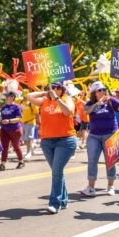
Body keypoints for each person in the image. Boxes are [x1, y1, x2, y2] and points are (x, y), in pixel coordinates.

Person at [27, 82, 77, 214]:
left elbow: (68, 112)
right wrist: (45, 93)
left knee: (56, 171)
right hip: (47, 141)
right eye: (52, 87)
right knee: (57, 171)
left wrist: (57, 98)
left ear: (63, 90)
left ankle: (55, 203)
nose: (55, 90)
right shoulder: (44, 101)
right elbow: (29, 96)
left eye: (58, 88)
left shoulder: (67, 99)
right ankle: (64, 200)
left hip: (65, 140)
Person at [81, 81, 119, 197]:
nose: (101, 92)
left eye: (103, 89)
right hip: (94, 136)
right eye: (98, 90)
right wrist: (98, 103)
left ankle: (111, 186)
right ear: (94, 93)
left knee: (111, 161)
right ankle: (91, 188)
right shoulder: (90, 103)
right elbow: (86, 111)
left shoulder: (111, 101)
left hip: (110, 134)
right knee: (92, 161)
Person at [0, 91, 25, 171]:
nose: (6, 98)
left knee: (16, 146)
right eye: (6, 96)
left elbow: (18, 118)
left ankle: (21, 161)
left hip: (15, 129)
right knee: (4, 147)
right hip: (4, 130)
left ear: (12, 98)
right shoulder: (3, 107)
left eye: (8, 96)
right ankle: (2, 164)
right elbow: (1, 118)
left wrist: (9, 121)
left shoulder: (16, 107)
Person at [19, 89, 39, 161]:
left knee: (29, 138)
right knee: (25, 139)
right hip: (23, 123)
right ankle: (32, 147)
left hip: (30, 123)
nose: (24, 97)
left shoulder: (32, 103)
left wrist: (38, 122)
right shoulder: (21, 102)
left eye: (25, 96)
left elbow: (36, 113)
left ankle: (29, 152)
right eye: (23, 96)